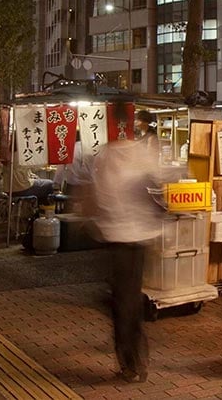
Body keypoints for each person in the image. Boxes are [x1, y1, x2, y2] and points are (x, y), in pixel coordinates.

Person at [89, 119, 166, 384]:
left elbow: (101, 197)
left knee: (122, 303)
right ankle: (137, 359)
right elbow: (160, 185)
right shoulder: (143, 153)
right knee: (130, 299)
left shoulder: (107, 156)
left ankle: (131, 363)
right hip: (142, 237)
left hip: (118, 238)